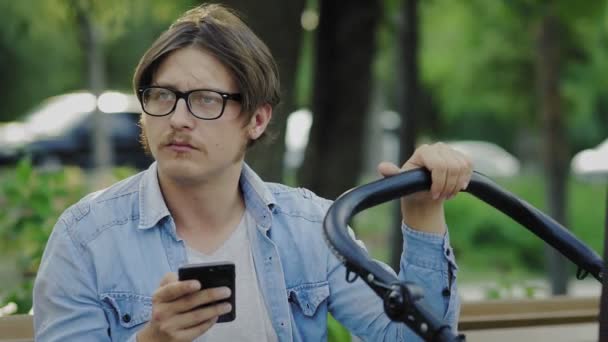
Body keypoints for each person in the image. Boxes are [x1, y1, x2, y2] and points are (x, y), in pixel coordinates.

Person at [33, 4, 472, 342]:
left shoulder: (309, 228)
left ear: (257, 120)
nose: (179, 118)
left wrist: (423, 216)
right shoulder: (86, 237)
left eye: (206, 100)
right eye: (163, 96)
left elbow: (412, 336)